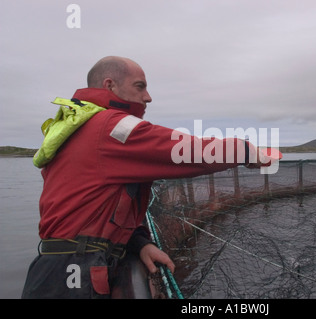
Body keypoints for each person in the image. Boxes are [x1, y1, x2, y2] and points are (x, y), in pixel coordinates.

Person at [22, 56, 270, 299]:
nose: (148, 97)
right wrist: (246, 151)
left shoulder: (82, 125)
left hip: (59, 269)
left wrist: (139, 243)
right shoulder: (111, 127)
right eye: (140, 86)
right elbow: (184, 151)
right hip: (75, 276)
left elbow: (96, 209)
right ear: (110, 85)